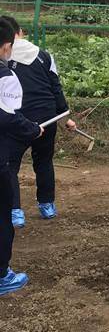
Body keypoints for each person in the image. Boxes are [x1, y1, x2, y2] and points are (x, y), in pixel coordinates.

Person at [0, 16, 77, 227]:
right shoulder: (43, 55)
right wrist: (65, 118)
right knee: (43, 161)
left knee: (10, 165)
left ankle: (15, 211)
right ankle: (47, 206)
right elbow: (56, 88)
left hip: (18, 119)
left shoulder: (4, 56)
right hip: (47, 116)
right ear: (20, 32)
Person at [0, 18, 43, 295]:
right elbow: (8, 118)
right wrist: (33, 129)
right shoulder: (5, 77)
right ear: (6, 46)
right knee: (3, 217)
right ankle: (3, 276)